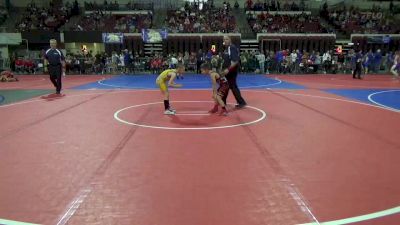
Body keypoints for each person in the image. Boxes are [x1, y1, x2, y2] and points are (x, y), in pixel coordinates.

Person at [221, 35, 246, 108]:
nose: (225, 41)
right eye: (224, 39)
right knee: (228, 85)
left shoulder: (232, 47)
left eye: (226, 39)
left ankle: (241, 102)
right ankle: (224, 101)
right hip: (228, 70)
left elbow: (235, 61)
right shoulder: (227, 49)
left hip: (231, 71)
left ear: (230, 40)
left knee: (230, 86)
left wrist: (227, 69)